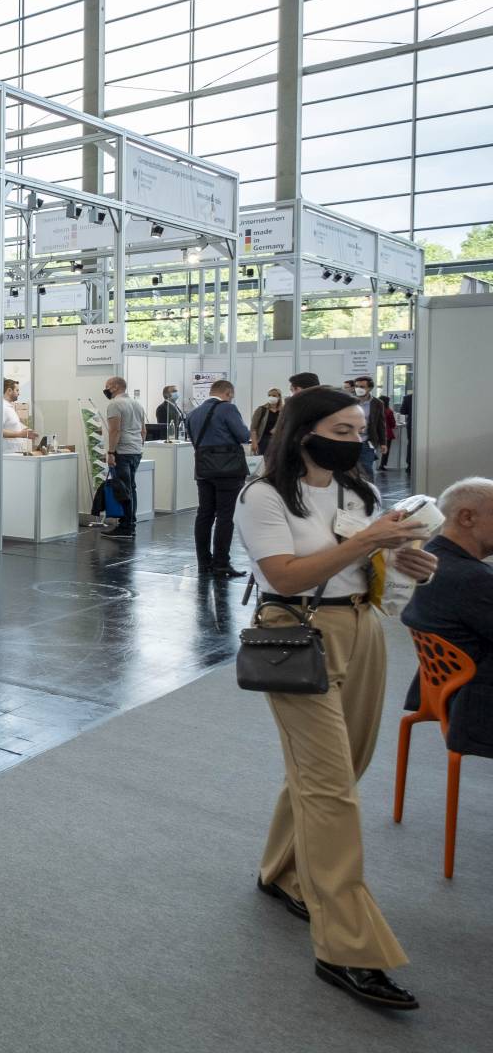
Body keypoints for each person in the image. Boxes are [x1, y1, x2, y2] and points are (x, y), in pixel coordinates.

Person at [238, 385, 436, 1011]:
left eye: (359, 432)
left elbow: (365, 565)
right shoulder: (263, 496)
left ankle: (280, 871)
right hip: (295, 632)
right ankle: (348, 948)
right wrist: (367, 543)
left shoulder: (359, 493)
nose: (357, 441)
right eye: (344, 432)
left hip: (361, 626)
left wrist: (403, 561)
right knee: (331, 789)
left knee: (343, 767)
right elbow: (285, 575)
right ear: (303, 433)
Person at [400, 478, 493, 761]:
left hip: (446, 692)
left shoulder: (429, 560)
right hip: (476, 703)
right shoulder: (471, 579)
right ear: (467, 517)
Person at [187, 379, 251, 579]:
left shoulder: (193, 413)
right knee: (225, 515)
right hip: (228, 470)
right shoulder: (227, 409)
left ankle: (203, 562)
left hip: (203, 468)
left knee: (204, 514)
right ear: (228, 393)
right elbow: (243, 435)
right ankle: (221, 563)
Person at [101, 376, 147, 539]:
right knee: (131, 487)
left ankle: (126, 526)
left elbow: (115, 430)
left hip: (123, 451)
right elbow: (143, 430)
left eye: (107, 386)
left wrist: (111, 452)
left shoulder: (114, 404)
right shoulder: (137, 404)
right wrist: (139, 447)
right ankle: (130, 521)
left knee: (123, 489)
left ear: (114, 387)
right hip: (136, 450)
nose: (105, 390)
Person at [350, 376, 387, 478]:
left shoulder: (377, 403)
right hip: (349, 441)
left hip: (367, 442)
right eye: (356, 386)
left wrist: (383, 443)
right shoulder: (348, 401)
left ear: (370, 388)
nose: (358, 389)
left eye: (362, 386)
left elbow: (381, 424)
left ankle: (369, 492)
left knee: (367, 470)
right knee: (349, 470)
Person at [1, 378, 37, 448]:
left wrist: (25, 430)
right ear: (9, 391)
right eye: (17, 390)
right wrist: (20, 434)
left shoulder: (10, 407)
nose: (19, 393)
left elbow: (12, 426)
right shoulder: (3, 407)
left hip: (14, 452)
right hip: (7, 453)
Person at [251, 387, 284, 458]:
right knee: (264, 463)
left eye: (274, 396)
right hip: (264, 441)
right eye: (269, 395)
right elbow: (253, 428)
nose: (271, 397)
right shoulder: (261, 410)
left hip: (279, 441)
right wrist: (254, 442)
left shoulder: (283, 411)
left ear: (279, 397)